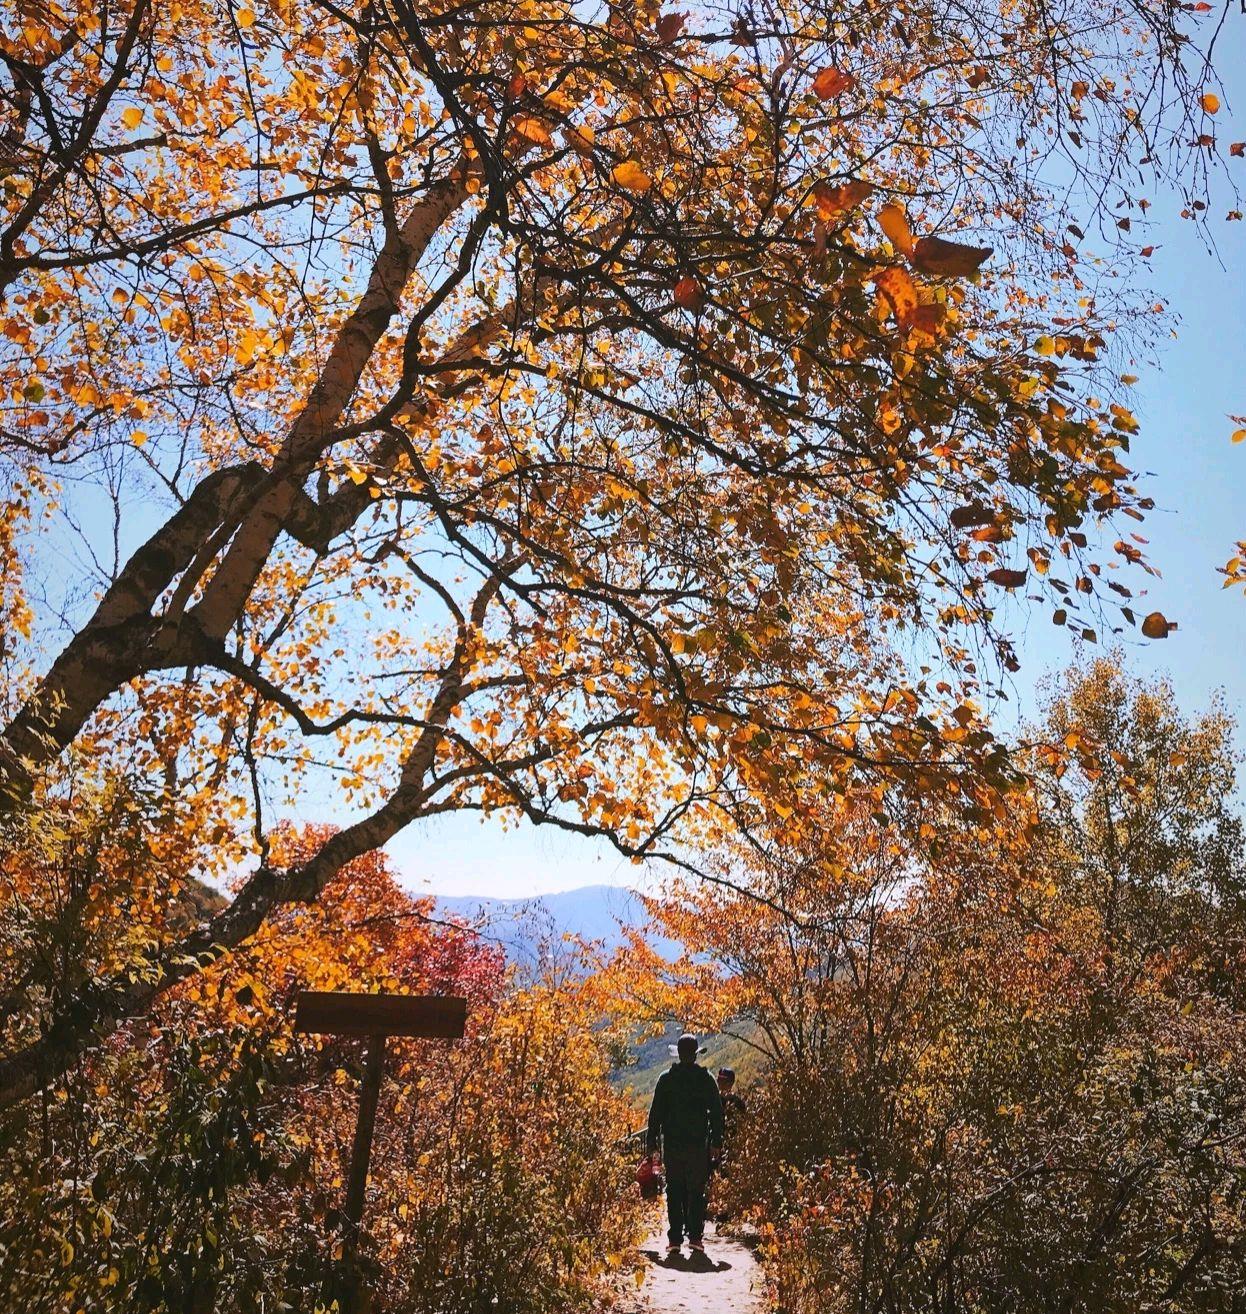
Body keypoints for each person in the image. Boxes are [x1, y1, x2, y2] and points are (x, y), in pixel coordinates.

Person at [646, 1033, 723, 1255]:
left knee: (675, 1189)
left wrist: (652, 1144)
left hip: (673, 1143)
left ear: (679, 1054)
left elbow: (655, 1115)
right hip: (698, 1144)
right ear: (696, 1054)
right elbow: (717, 1113)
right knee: (696, 1189)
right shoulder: (705, 1078)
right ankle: (696, 1237)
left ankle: (675, 1239)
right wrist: (716, 1141)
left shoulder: (666, 1079)